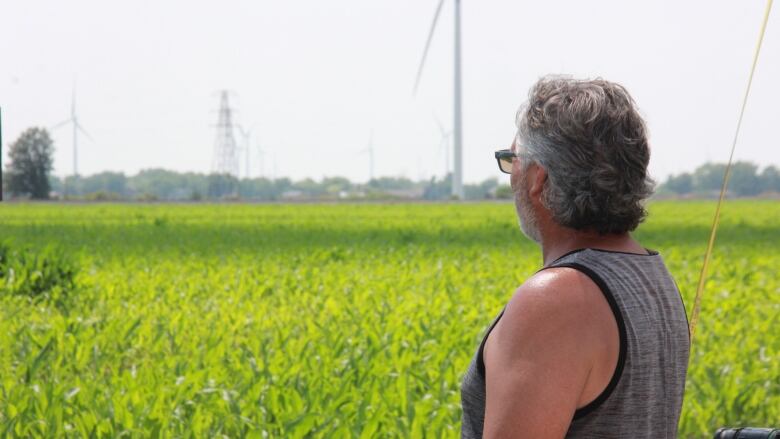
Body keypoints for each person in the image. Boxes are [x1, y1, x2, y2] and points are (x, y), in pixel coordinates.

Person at [460, 76, 690, 438]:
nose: (510, 176)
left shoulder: (556, 299)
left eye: (512, 160)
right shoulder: (653, 275)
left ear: (538, 177)